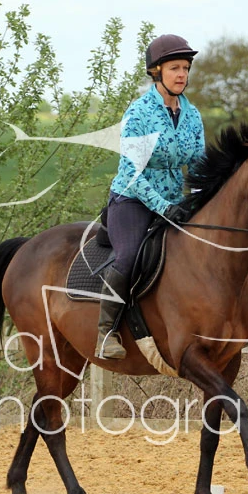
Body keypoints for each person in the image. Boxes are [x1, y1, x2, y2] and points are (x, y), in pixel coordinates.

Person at [96, 33, 205, 360]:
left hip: (174, 203)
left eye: (185, 68)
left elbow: (198, 166)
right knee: (129, 256)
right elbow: (132, 172)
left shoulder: (193, 115)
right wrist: (163, 207)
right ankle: (106, 331)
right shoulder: (139, 112)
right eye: (175, 68)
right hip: (132, 199)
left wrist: (200, 201)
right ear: (157, 72)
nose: (182, 74)